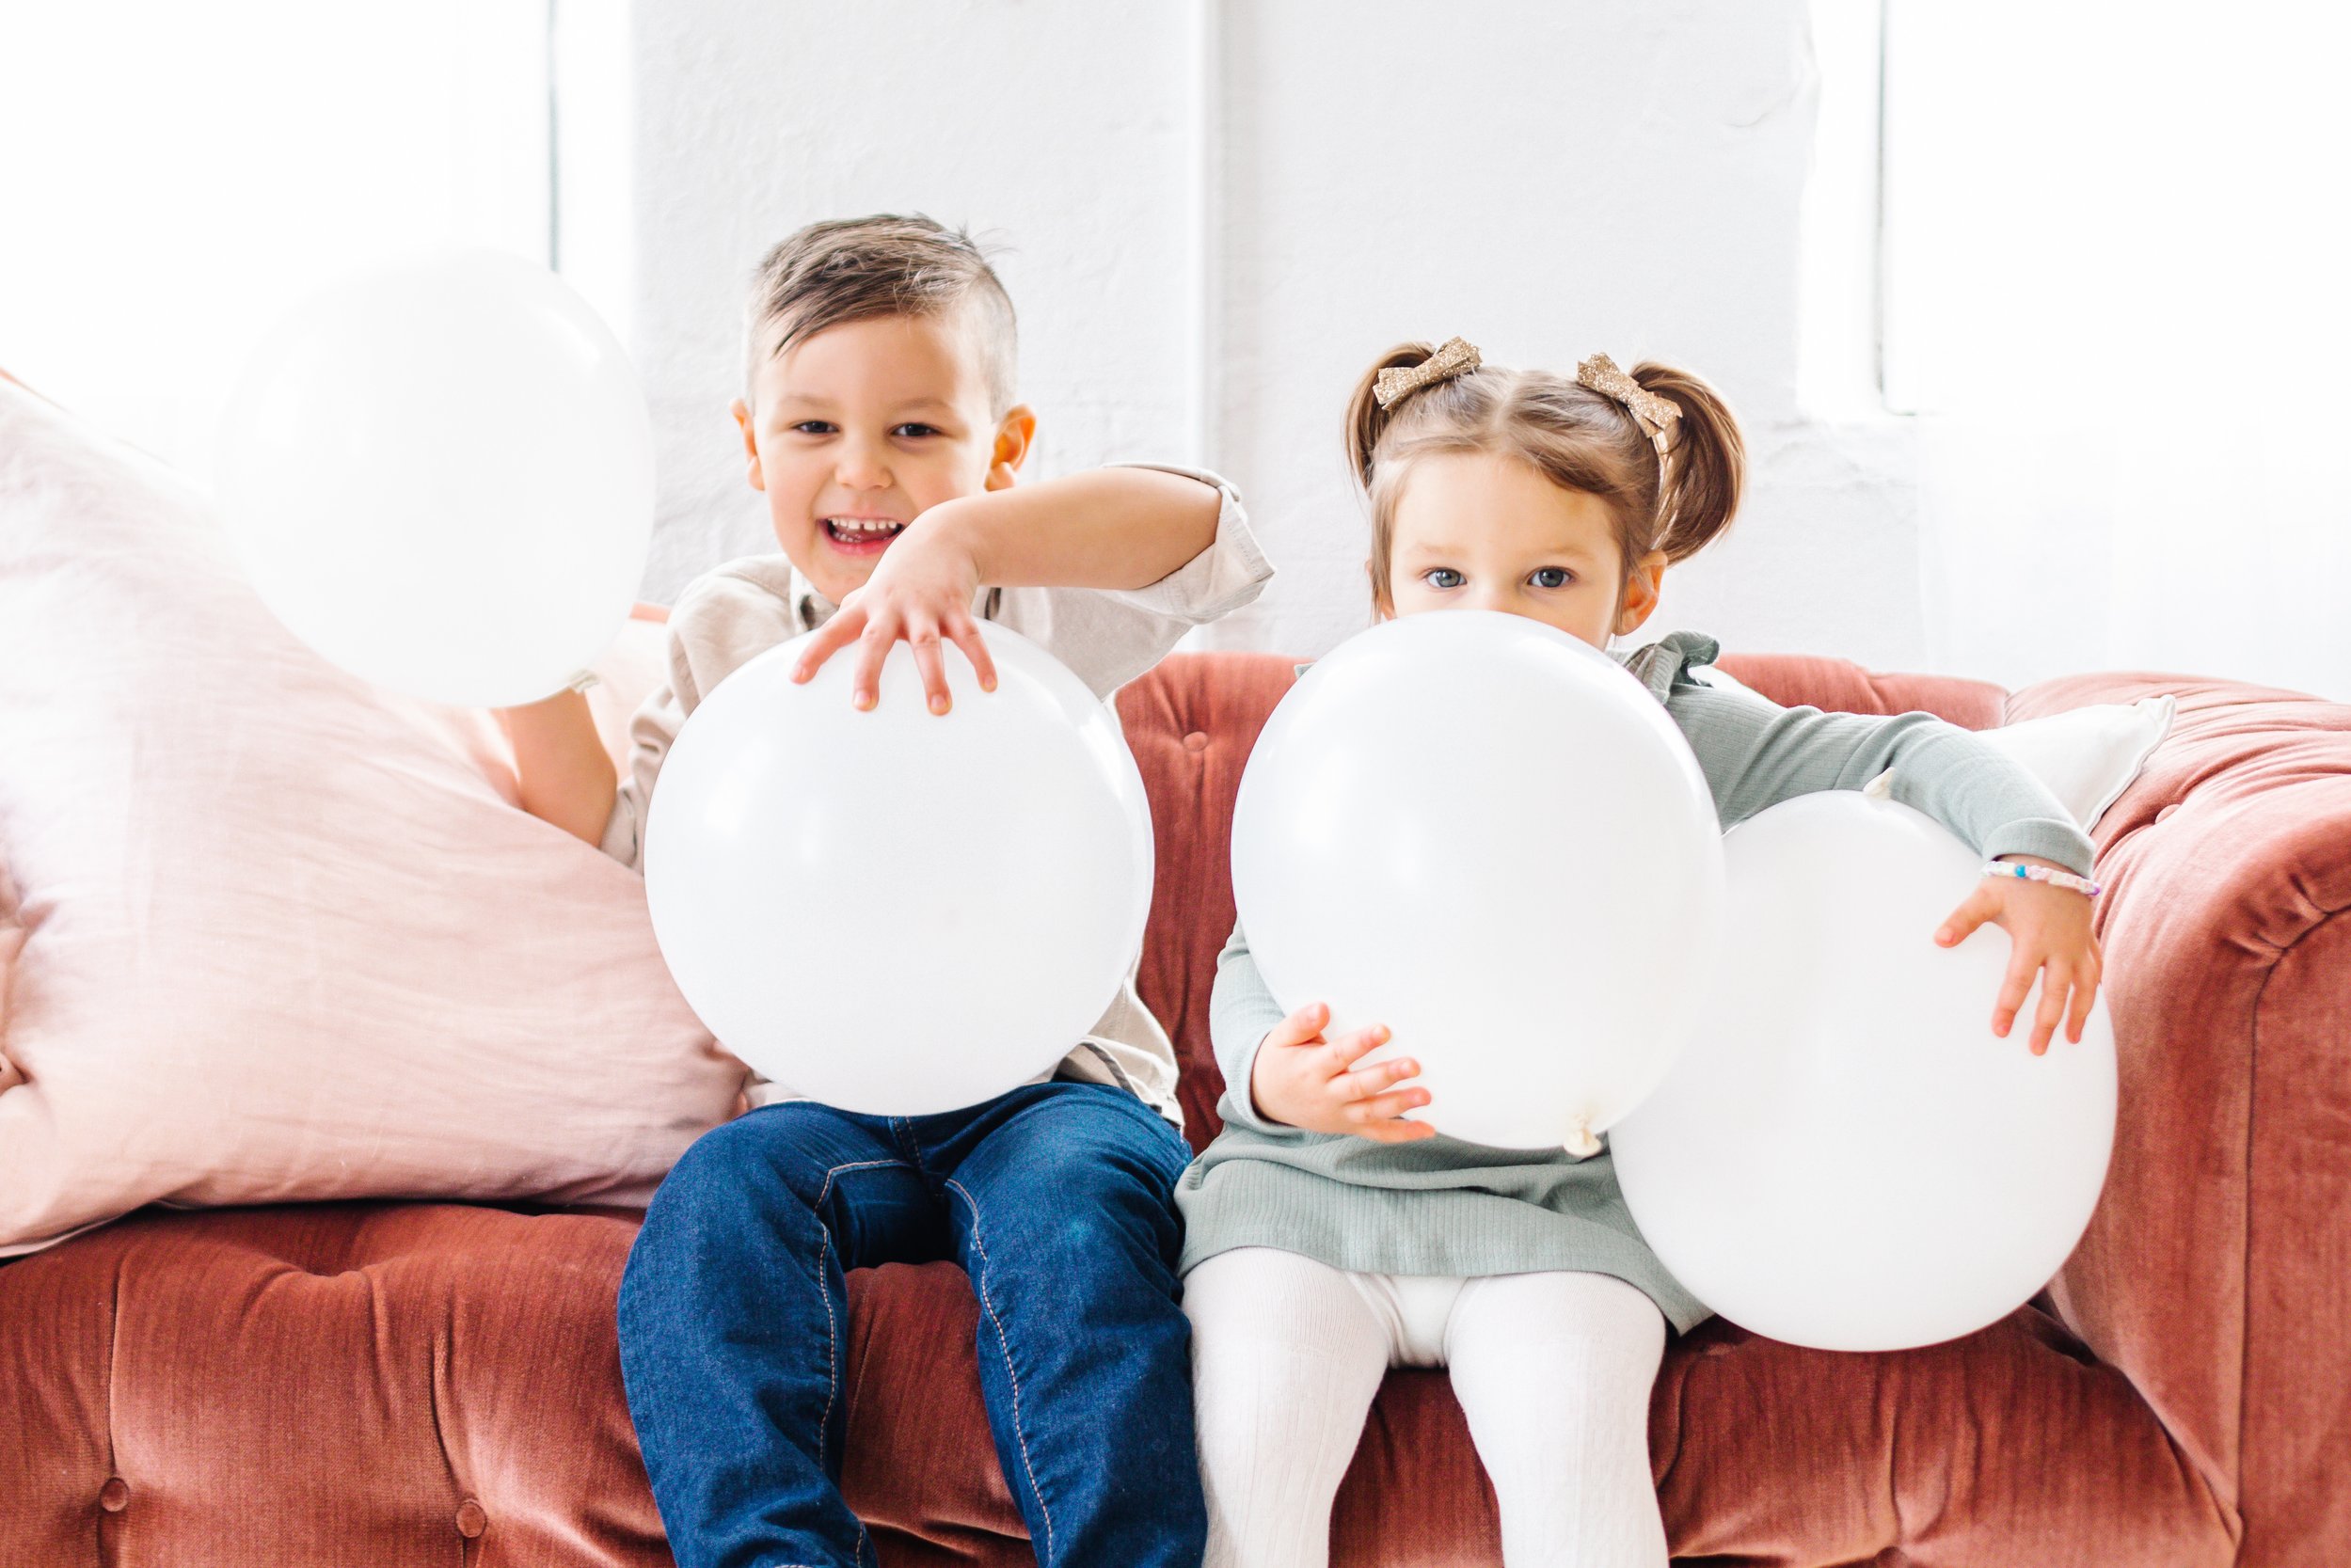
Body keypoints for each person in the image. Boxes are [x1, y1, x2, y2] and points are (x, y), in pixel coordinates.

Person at [1178, 336, 2103, 1568]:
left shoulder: (1678, 731)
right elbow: (1259, 954)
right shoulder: (1342, 732)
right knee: (1250, 1478)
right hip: (1305, 1195)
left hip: (1562, 1216)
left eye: (1548, 577)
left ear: (1636, 592)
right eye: (1445, 575)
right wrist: (1269, 1076)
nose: (1491, 614)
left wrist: (2040, 857)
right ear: (1385, 589)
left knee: (1572, 1465)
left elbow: (1915, 750)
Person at [503, 214, 1270, 1568]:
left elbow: (1211, 527)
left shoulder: (1034, 602)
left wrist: (965, 540)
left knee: (1074, 1229)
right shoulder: (727, 629)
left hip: (1056, 1093)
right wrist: (511, 648)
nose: (863, 470)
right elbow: (637, 843)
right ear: (752, 444)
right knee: (711, 1210)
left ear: (1003, 449)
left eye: (917, 431)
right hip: (824, 1106)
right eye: (814, 428)